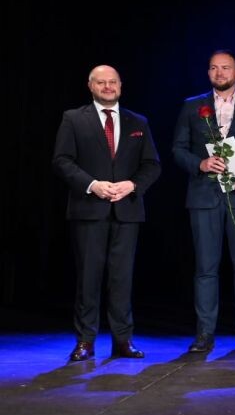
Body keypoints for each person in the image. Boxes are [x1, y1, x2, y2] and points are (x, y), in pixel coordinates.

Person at [52, 65, 161, 361]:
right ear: (91, 86)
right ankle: (85, 341)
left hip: (127, 211)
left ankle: (122, 341)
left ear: (120, 86)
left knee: (122, 280)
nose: (108, 87)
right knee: (88, 279)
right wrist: (93, 185)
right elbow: (62, 160)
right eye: (101, 82)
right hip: (89, 209)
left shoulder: (138, 121)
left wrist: (132, 185)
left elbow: (152, 165)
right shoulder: (74, 118)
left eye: (113, 82)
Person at [172, 49, 235, 353]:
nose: (220, 73)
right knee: (205, 268)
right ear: (208, 73)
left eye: (226, 68)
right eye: (214, 68)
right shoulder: (192, 106)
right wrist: (200, 164)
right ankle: (205, 334)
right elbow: (178, 149)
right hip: (204, 198)